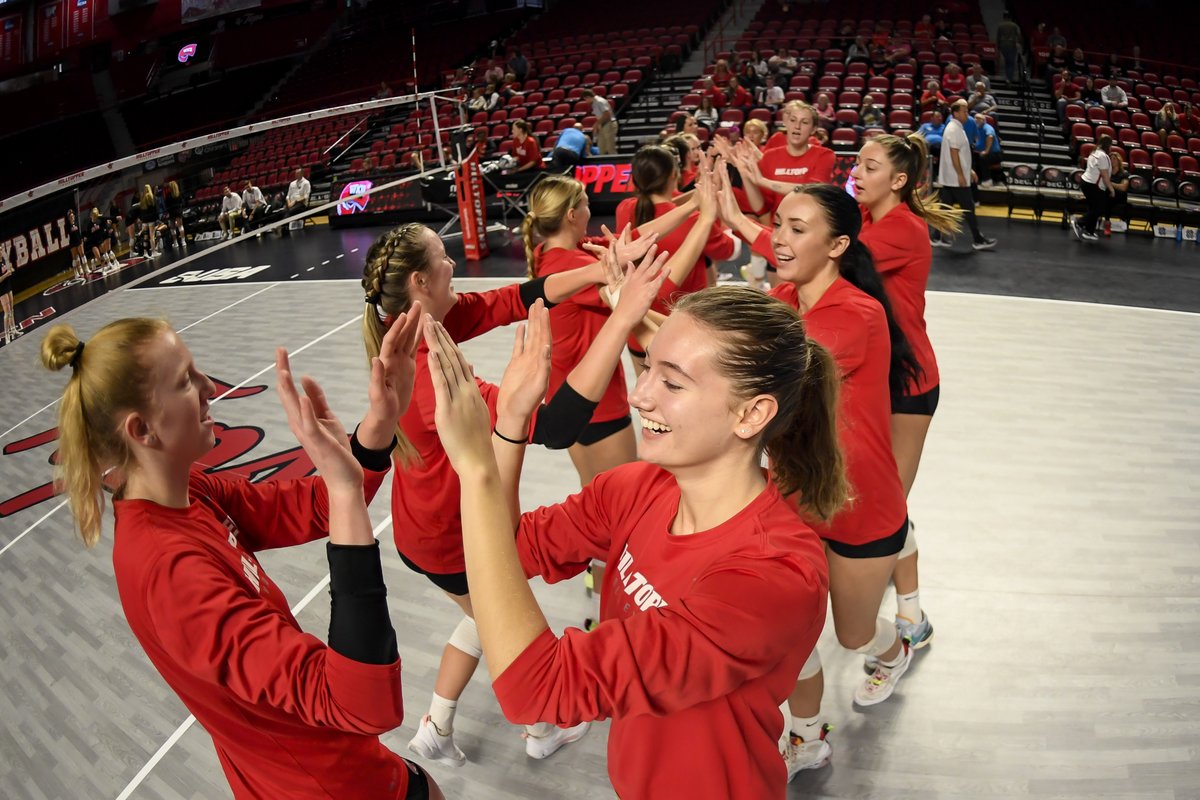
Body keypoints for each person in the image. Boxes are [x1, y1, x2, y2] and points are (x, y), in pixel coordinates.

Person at [425, 266, 843, 799]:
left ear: (752, 413)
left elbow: (537, 690)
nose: (640, 395)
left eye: (672, 381)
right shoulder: (638, 487)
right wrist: (509, 424)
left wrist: (478, 469)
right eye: (645, 367)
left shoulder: (772, 574)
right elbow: (501, 553)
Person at [38, 310, 446, 800]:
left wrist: (379, 424)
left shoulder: (185, 491)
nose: (208, 386)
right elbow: (362, 701)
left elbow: (304, 508)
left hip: (314, 755)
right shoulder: (168, 573)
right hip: (320, 779)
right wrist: (343, 490)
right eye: (185, 382)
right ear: (142, 430)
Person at [358, 222, 658, 766]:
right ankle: (540, 727)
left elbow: (519, 296)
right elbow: (553, 427)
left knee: (481, 619)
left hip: (422, 525)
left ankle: (437, 727)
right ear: (422, 281)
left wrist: (603, 269)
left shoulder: (414, 325)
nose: (455, 264)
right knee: (505, 629)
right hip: (449, 536)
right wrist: (622, 318)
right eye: (445, 257)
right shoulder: (432, 375)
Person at [710, 168, 925, 776]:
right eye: (777, 225)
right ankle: (806, 737)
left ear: (836, 247)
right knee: (790, 632)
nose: (777, 238)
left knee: (854, 635)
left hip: (861, 510)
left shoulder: (857, 316)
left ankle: (894, 648)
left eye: (795, 229)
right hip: (792, 500)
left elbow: (752, 372)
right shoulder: (781, 300)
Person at [848, 134, 962, 666]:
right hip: (873, 379)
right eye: (857, 162)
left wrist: (747, 218)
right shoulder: (868, 220)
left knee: (887, 505)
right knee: (877, 499)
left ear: (898, 180)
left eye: (870, 166)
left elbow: (826, 253)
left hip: (910, 384)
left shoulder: (901, 228)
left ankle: (912, 618)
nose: (857, 172)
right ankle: (905, 608)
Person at [719, 101, 835, 289]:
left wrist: (763, 181)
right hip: (780, 240)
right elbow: (761, 207)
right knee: (782, 306)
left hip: (809, 240)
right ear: (785, 123)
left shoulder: (825, 155)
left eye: (805, 122)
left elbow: (813, 191)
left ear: (813, 129)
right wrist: (747, 175)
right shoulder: (771, 157)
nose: (797, 126)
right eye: (793, 120)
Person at [934, 100, 997, 250]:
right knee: (969, 208)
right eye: (964, 111)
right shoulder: (953, 129)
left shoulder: (956, 127)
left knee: (945, 208)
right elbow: (954, 153)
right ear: (955, 113)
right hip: (955, 178)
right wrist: (962, 175)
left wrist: (969, 170)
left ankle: (936, 237)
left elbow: (961, 154)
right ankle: (978, 240)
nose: (967, 114)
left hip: (952, 177)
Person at [1072, 133, 1114, 242]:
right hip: (1094, 185)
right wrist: (1111, 189)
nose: (1111, 147)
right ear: (1107, 145)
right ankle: (1079, 222)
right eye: (1110, 145)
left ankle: (1089, 231)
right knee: (1099, 208)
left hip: (1086, 181)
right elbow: (1104, 175)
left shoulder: (1094, 152)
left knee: (1093, 207)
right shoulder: (1103, 156)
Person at [581, 89, 617, 155]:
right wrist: (597, 126)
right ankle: (602, 164)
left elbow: (607, 114)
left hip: (609, 124)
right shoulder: (594, 103)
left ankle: (615, 164)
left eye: (585, 99)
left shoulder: (600, 101)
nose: (586, 101)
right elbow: (600, 116)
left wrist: (596, 124)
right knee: (601, 148)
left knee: (610, 148)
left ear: (588, 97)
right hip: (602, 125)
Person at [973, 113, 1004, 185]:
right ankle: (975, 179)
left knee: (983, 157)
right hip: (981, 152)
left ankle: (987, 180)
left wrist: (986, 151)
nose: (976, 120)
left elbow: (990, 136)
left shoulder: (987, 127)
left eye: (978, 118)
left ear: (984, 120)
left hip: (994, 154)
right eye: (975, 118)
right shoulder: (976, 129)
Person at [0, 249, 17, 344]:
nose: (1, 252)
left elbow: (8, 270)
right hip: (1, 289)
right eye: (0, 251)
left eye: (2, 251)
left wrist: (11, 270)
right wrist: (6, 274)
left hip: (8, 285)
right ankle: (7, 335)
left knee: (11, 309)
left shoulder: (2, 260)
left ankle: (13, 330)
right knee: (6, 312)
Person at [164, 181, 185, 248]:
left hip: (171, 212)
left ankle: (175, 243)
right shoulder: (179, 194)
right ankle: (183, 241)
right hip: (178, 211)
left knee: (173, 228)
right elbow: (182, 202)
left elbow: (166, 205)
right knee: (180, 227)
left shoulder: (168, 195)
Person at [66, 208, 86, 278]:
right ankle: (76, 271)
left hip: (78, 241)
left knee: (82, 254)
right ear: (69, 218)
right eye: (71, 217)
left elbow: (78, 233)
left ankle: (86, 268)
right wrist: (72, 225)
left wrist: (81, 239)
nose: (72, 217)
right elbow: (69, 233)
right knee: (75, 257)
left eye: (73, 216)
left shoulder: (77, 223)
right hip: (72, 242)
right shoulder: (67, 226)